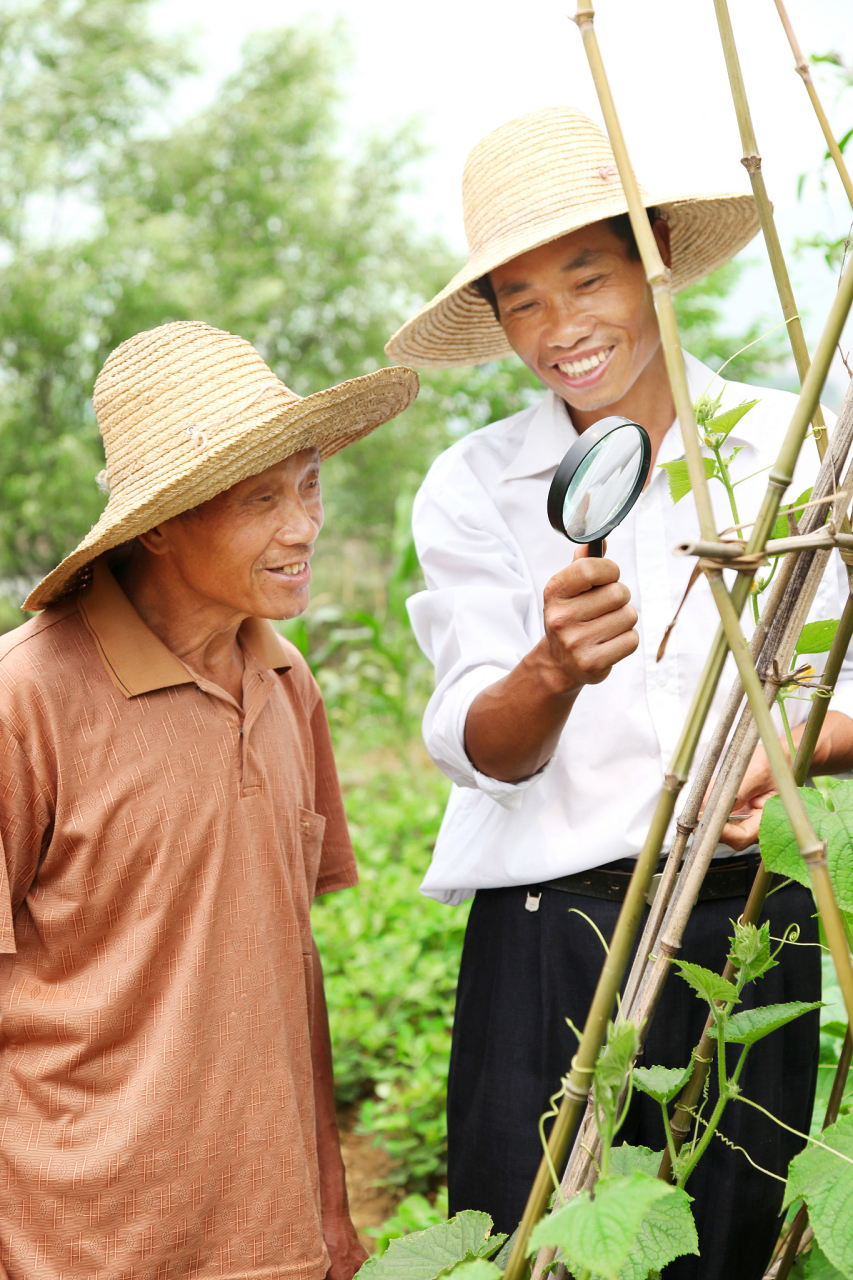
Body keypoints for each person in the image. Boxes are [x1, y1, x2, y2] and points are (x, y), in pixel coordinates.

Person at [385, 106, 853, 1280]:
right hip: (553, 936)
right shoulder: (477, 484)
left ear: (651, 267)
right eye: (521, 300)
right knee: (545, 1241)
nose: (560, 327)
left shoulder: (783, 453)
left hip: (746, 930)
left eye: (585, 277)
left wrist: (788, 750)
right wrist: (548, 668)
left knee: (736, 1243)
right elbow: (477, 742)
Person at [0, 321, 417, 1279]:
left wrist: (326, 1206)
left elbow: (283, 965)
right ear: (160, 520)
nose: (304, 526)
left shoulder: (285, 683)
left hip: (265, 1236)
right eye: (261, 498)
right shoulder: (27, 698)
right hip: (72, 1242)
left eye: (308, 485)